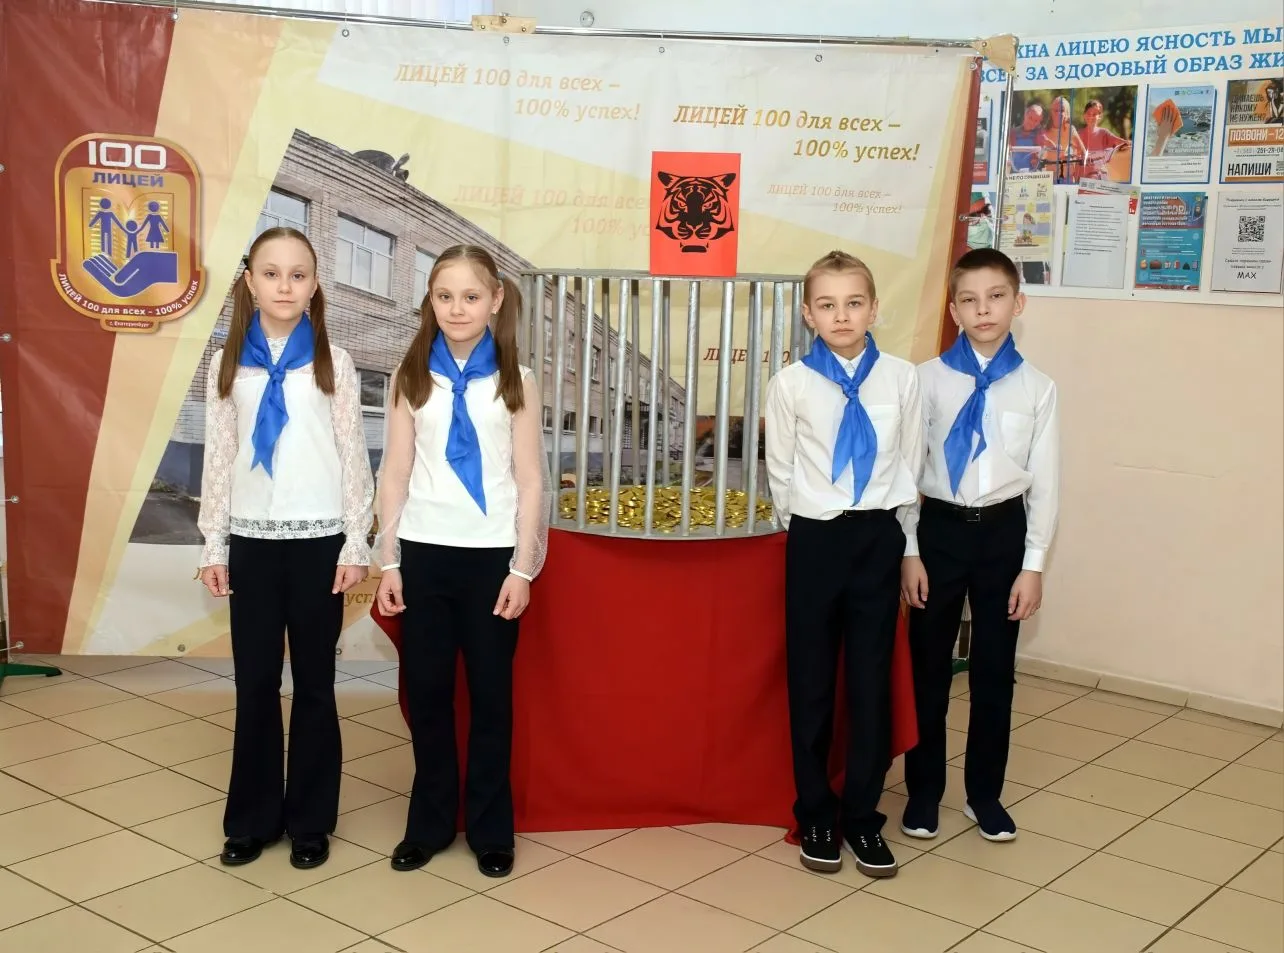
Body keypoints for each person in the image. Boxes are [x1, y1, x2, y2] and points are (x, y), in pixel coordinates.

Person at [198, 226, 374, 870]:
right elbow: (219, 457)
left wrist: (355, 539)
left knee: (316, 685)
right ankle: (251, 820)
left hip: (318, 542)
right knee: (254, 684)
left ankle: (310, 822)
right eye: (271, 274)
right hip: (250, 540)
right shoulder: (228, 362)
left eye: (298, 275)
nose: (284, 286)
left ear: (315, 284)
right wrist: (214, 544)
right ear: (250, 282)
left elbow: (353, 454)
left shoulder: (335, 361)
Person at [374, 243, 549, 879]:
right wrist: (389, 560)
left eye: (471, 297)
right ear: (430, 300)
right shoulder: (410, 376)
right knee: (427, 695)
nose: (457, 308)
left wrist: (522, 568)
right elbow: (394, 473)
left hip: (492, 560)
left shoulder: (516, 380)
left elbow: (530, 480)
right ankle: (428, 823)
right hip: (424, 554)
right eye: (444, 296)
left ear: (495, 301)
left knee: (491, 698)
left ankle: (490, 828)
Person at [764, 250, 923, 878]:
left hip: (878, 538)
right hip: (816, 540)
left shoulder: (902, 380)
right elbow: (781, 471)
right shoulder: (791, 384)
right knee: (811, 686)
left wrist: (906, 547)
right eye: (827, 305)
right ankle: (816, 814)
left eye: (854, 303)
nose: (842, 315)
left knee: (870, 686)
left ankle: (861, 815)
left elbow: (909, 465)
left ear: (874, 308)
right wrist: (809, 526)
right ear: (808, 314)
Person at [900, 247, 1060, 843]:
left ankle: (984, 795)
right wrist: (909, 549)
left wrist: (1033, 564)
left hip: (1003, 535)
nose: (983, 309)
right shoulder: (925, 380)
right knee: (928, 670)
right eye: (969, 300)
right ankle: (923, 793)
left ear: (1018, 303)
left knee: (994, 672)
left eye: (995, 297)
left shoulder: (1037, 388)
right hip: (938, 531)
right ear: (953, 310)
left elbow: (1046, 482)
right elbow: (905, 472)